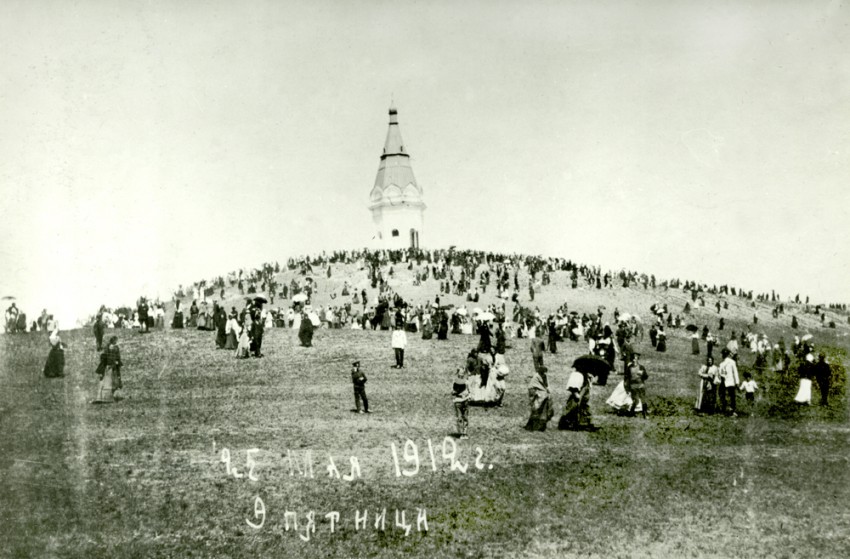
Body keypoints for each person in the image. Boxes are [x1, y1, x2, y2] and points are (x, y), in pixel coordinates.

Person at [524, 366, 553, 431]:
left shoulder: (545, 376)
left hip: (544, 397)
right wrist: (536, 394)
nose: (544, 374)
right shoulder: (536, 377)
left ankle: (541, 427)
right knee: (535, 411)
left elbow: (547, 385)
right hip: (538, 397)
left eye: (544, 372)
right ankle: (531, 427)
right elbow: (531, 388)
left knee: (544, 412)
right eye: (542, 372)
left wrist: (548, 391)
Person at [625, 353, 648, 418]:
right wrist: (627, 388)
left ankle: (644, 414)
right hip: (633, 386)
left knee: (643, 400)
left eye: (635, 358)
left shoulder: (641, 367)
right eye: (633, 358)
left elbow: (646, 376)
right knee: (636, 400)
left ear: (638, 359)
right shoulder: (629, 368)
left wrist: (642, 374)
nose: (634, 360)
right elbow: (627, 378)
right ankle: (631, 412)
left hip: (641, 385)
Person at [718, 348, 740, 415]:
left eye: (725, 354)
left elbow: (735, 372)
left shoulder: (732, 362)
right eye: (723, 354)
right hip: (723, 381)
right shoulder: (721, 364)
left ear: (727, 354)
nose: (723, 355)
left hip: (730, 382)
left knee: (731, 396)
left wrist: (737, 382)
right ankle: (724, 409)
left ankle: (733, 411)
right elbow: (720, 373)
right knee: (722, 394)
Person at [452, 368, 469, 438]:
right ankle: (461, 433)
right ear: (458, 373)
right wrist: (457, 392)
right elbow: (452, 392)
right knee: (459, 418)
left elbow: (469, 391)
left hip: (465, 401)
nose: (461, 374)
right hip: (458, 401)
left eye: (463, 373)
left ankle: (464, 433)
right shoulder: (455, 382)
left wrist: (468, 396)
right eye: (460, 373)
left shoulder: (466, 382)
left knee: (465, 417)